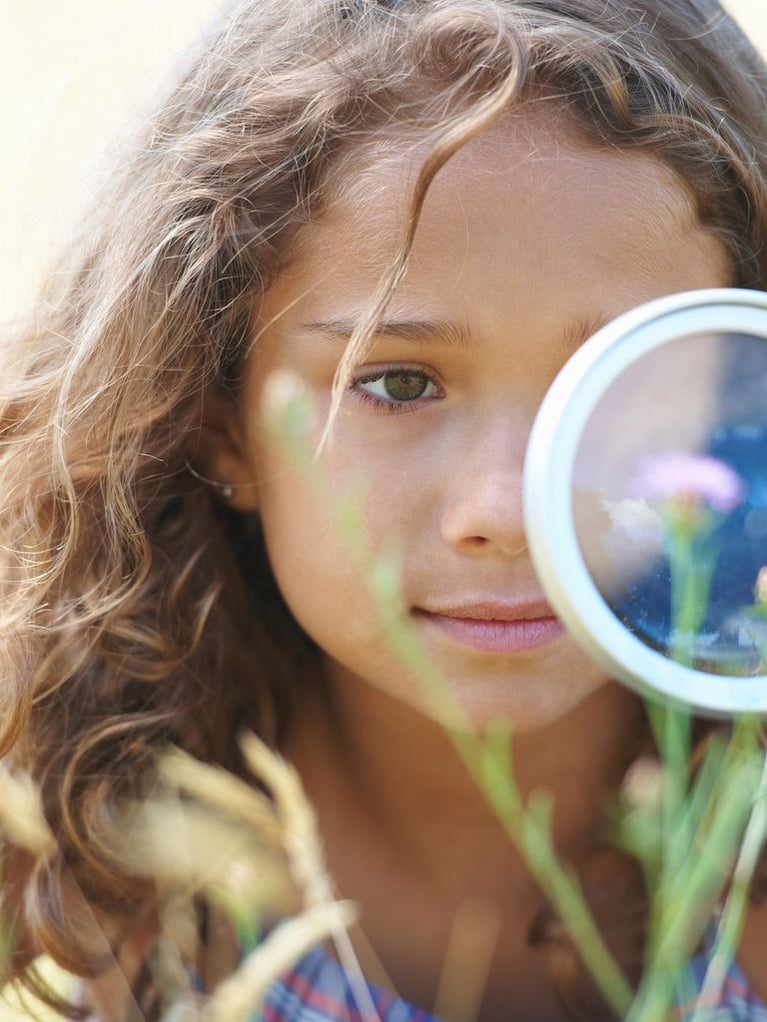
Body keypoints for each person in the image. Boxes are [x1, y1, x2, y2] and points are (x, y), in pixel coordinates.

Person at [2, 1, 767, 1019]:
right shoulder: (102, 879)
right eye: (399, 383)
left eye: (616, 384)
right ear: (218, 417)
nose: (508, 505)